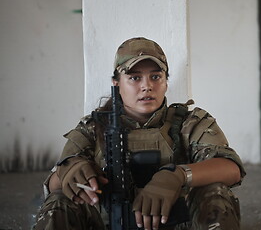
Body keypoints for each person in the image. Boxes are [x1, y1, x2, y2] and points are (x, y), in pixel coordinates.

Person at [33, 37, 246, 230]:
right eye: (134, 78)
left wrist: (179, 175)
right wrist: (68, 171)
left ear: (166, 82)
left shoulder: (189, 122)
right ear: (116, 83)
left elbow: (230, 168)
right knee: (59, 202)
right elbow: (53, 185)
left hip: (175, 222)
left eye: (155, 76)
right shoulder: (93, 126)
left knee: (215, 193)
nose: (147, 86)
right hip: (108, 222)